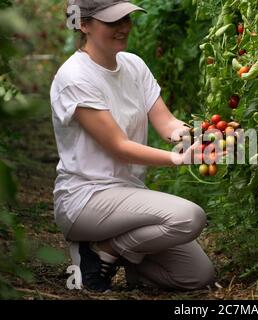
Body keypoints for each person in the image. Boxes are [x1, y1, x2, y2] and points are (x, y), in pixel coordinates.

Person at [50, 0, 217, 293]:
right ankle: (100, 248)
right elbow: (119, 146)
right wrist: (178, 160)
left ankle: (118, 258)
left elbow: (167, 124)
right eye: (112, 22)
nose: (123, 27)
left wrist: (196, 138)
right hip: (87, 198)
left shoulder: (133, 65)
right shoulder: (74, 77)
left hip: (128, 197)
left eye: (126, 19)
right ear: (83, 24)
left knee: (196, 275)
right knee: (189, 217)